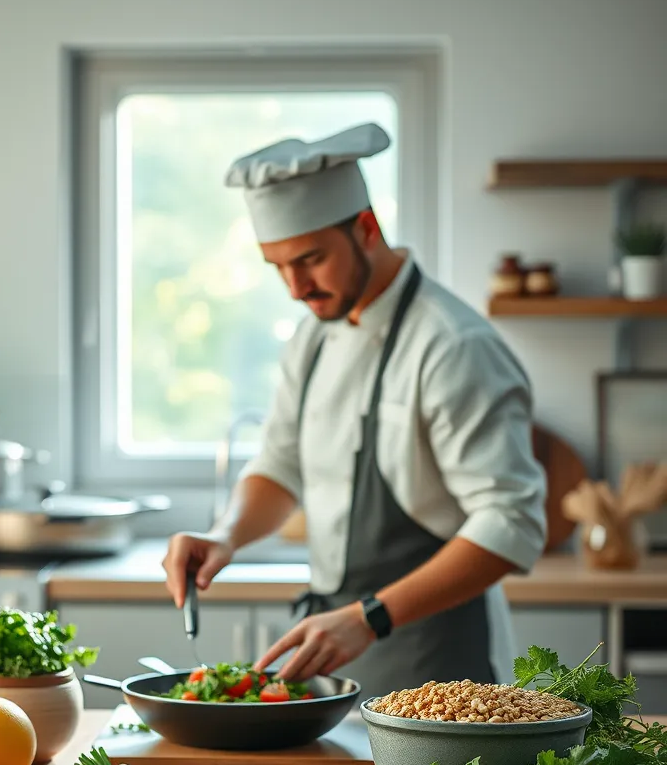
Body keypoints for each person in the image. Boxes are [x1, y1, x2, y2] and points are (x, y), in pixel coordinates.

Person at [162, 122, 547, 699]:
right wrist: (226, 535)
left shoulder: (453, 346)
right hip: (336, 649)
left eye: (310, 260)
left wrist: (369, 616)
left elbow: (511, 523)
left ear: (366, 229)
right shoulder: (315, 337)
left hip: (439, 658)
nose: (296, 287)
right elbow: (281, 464)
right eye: (279, 267)